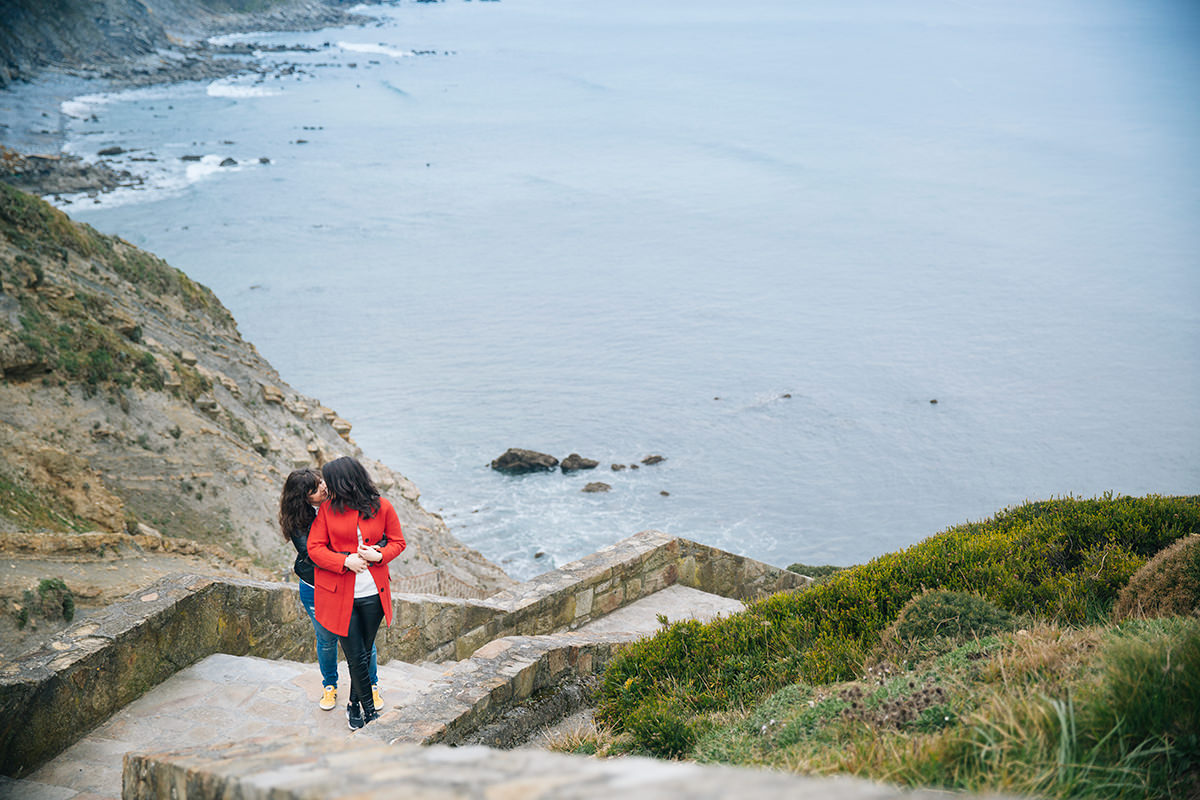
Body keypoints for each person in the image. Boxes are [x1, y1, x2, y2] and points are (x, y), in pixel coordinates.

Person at [308, 456, 406, 729]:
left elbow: (398, 542)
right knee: (356, 655)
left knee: (362, 651)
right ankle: (371, 713)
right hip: (340, 594)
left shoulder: (382, 506)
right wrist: (345, 561)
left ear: (345, 481)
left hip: (373, 592)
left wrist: (379, 555)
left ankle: (354, 704)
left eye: (329, 479)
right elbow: (315, 549)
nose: (326, 486)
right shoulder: (327, 510)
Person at [278, 468, 383, 712]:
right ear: (303, 498)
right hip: (316, 587)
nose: (323, 488)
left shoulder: (341, 503)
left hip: (346, 584)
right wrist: (348, 558)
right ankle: (330, 685)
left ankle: (371, 685)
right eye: (314, 490)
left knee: (365, 641)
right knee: (327, 640)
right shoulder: (299, 522)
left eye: (320, 482)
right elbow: (312, 554)